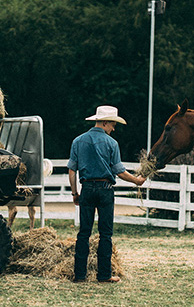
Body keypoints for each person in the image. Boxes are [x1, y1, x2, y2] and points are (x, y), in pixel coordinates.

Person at [68, 105, 146, 283]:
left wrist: (74, 193)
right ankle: (103, 275)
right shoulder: (112, 144)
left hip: (86, 188)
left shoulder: (78, 141)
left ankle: (79, 275)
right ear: (104, 123)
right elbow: (119, 172)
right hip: (105, 190)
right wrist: (137, 181)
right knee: (105, 234)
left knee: (83, 233)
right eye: (112, 125)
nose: (113, 129)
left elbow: (72, 171)